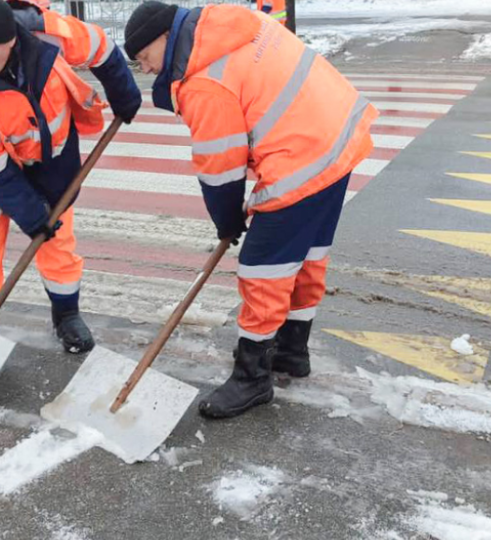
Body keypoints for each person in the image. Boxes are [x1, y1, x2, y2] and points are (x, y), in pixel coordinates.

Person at [123, 1, 378, 419]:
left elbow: (220, 169)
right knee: (306, 255)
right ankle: (292, 351)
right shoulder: (233, 22)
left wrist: (228, 219)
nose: (145, 69)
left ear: (164, 39)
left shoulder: (204, 81)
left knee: (263, 268)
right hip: (337, 137)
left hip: (301, 157)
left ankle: (252, 377)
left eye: (144, 57)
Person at [0, 0, 141, 354]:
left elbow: (101, 45)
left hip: (48, 151)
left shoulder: (49, 33)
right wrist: (29, 214)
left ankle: (66, 315)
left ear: (11, 41)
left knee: (56, 232)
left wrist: (123, 92)